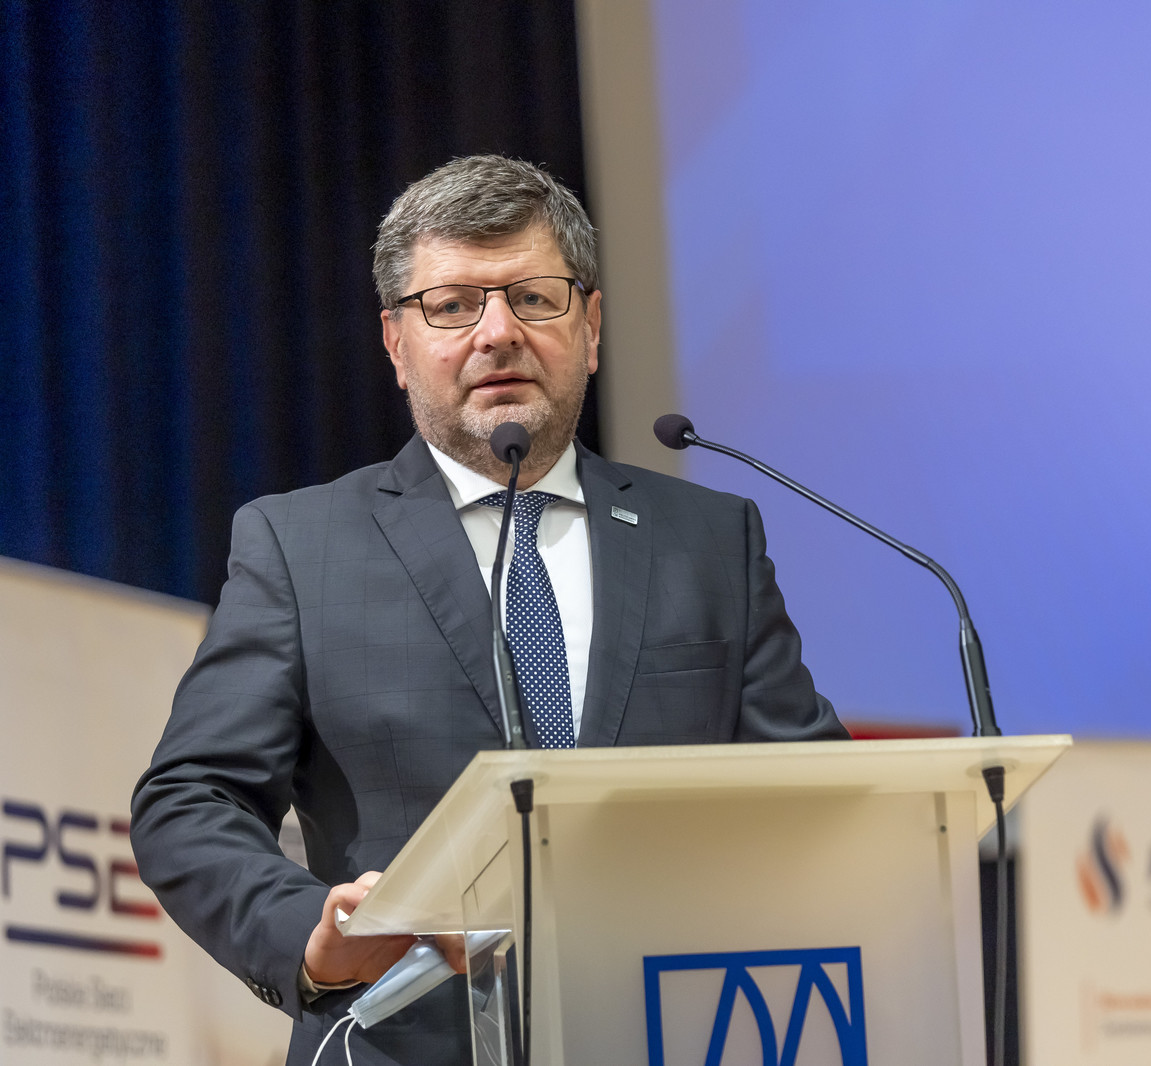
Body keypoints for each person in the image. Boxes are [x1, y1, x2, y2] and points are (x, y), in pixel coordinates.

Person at [130, 155, 847, 1066]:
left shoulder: (709, 540)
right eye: (453, 305)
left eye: (534, 299)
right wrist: (309, 930)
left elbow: (818, 800)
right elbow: (190, 799)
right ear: (396, 345)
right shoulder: (300, 546)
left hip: (680, 1032)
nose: (498, 333)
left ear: (591, 327)